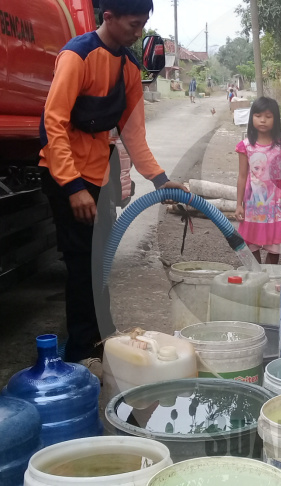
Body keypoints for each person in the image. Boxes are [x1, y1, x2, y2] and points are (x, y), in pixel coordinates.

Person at [38, 0, 187, 376]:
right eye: (134, 25)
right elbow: (53, 123)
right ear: (109, 17)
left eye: (143, 25)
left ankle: (99, 340)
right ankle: (80, 353)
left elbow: (133, 132)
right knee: (81, 263)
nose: (138, 34)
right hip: (64, 171)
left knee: (99, 263)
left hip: (99, 174)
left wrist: (158, 178)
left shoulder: (129, 67)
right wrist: (72, 187)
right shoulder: (78, 56)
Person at [234, 97, 281, 265]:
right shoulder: (245, 146)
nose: (263, 120)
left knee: (274, 250)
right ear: (252, 118)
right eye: (258, 115)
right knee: (251, 248)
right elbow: (242, 176)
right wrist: (239, 204)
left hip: (274, 208)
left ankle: (268, 281)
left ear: (275, 119)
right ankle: (256, 279)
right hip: (252, 208)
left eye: (268, 116)